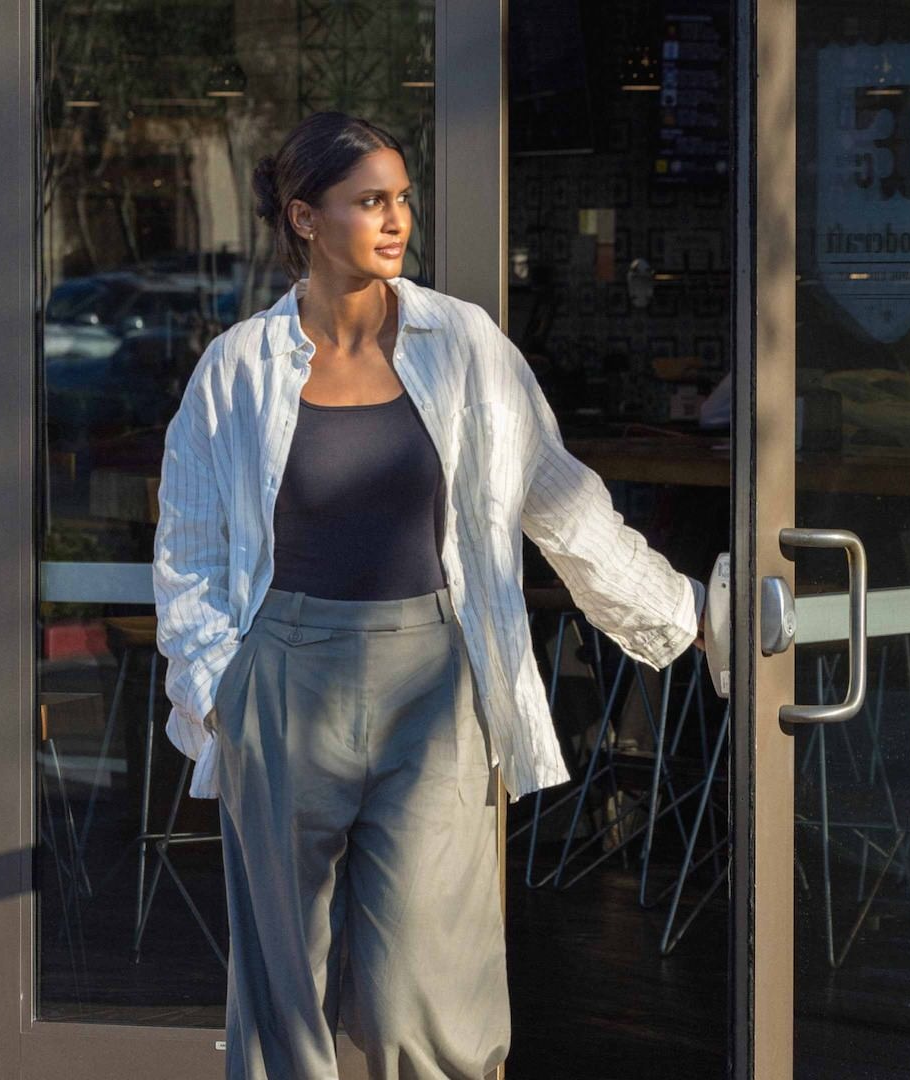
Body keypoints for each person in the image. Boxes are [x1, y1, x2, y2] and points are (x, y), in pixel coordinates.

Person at [153, 111, 706, 1080]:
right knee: (284, 1009)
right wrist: (221, 693)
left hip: (436, 684)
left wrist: (682, 615)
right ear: (305, 218)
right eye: (370, 200)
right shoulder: (235, 369)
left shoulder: (466, 345)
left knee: (436, 992)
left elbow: (560, 502)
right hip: (282, 680)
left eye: (402, 198)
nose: (397, 218)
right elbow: (188, 553)